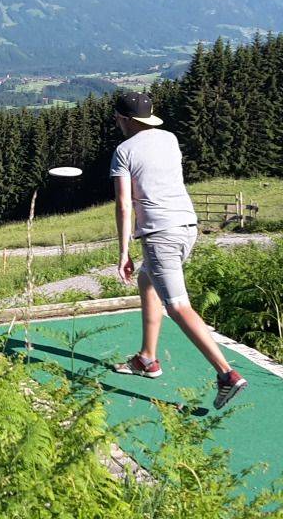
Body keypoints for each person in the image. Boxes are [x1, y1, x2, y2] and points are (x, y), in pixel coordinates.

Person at [108, 91, 247, 409]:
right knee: (147, 280)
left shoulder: (123, 151)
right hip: (187, 227)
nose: (117, 123)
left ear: (126, 120)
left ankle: (226, 374)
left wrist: (123, 252)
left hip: (160, 236)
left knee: (178, 306)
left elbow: (124, 205)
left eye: (118, 119)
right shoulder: (169, 138)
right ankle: (147, 359)